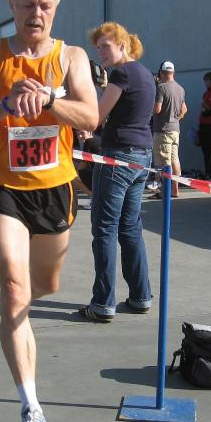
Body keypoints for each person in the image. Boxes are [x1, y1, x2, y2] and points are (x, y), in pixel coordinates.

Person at [0, 0, 98, 422]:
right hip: (3, 185)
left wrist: (48, 101)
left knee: (45, 285)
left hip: (54, 187)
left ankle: (11, 302)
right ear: (12, 6)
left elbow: (90, 117)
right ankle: (31, 410)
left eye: (45, 5)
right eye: (28, 4)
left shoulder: (71, 56)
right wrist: (4, 105)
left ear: (55, 8)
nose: (36, 13)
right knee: (17, 291)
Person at [80, 21, 154, 323]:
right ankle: (140, 296)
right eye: (98, 48)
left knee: (105, 229)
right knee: (130, 227)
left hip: (118, 158)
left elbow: (96, 117)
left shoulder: (121, 74)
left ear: (123, 45)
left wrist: (80, 113)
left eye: (105, 47)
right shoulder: (145, 74)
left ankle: (103, 303)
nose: (101, 53)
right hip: (141, 156)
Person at [149, 60, 187, 199]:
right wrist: (176, 118)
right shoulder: (180, 89)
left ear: (162, 73)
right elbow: (184, 109)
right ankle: (175, 190)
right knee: (174, 159)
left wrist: (148, 109)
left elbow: (157, 109)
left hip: (162, 130)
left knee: (163, 161)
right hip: (175, 129)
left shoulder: (161, 87)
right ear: (173, 73)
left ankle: (163, 191)